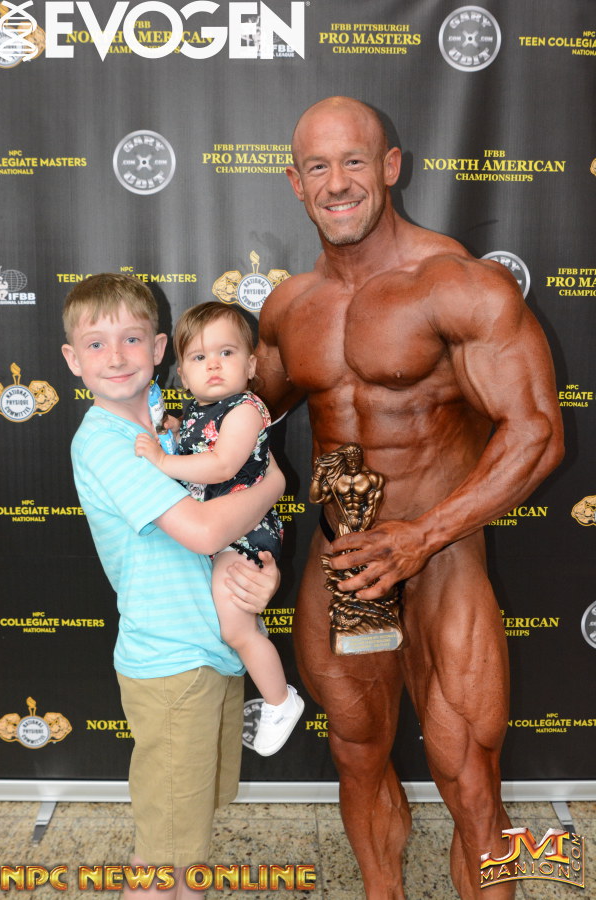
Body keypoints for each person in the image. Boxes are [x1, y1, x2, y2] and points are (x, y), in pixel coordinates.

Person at [255, 97, 564, 900]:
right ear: (295, 182)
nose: (337, 183)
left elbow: (536, 434)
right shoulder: (289, 308)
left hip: (442, 556)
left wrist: (423, 536)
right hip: (345, 562)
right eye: (318, 167)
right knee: (357, 754)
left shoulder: (456, 283)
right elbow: (240, 416)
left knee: (470, 775)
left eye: (354, 161)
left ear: (390, 167)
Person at [61, 274, 285, 899]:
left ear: (160, 349)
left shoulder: (176, 421)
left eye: (131, 339)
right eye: (96, 344)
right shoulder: (105, 442)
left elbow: (236, 520)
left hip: (216, 651)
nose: (116, 356)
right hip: (170, 664)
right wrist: (274, 486)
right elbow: (207, 528)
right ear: (74, 361)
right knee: (162, 861)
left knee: (189, 842)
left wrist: (262, 575)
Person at [134, 302, 304, 756]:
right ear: (183, 376)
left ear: (250, 366)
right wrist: (170, 430)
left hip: (244, 532)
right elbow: (193, 441)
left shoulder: (246, 409)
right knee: (234, 621)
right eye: (199, 357)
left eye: (226, 353)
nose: (213, 364)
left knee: (236, 630)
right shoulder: (196, 410)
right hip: (219, 529)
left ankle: (280, 701)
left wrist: (163, 460)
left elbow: (223, 464)